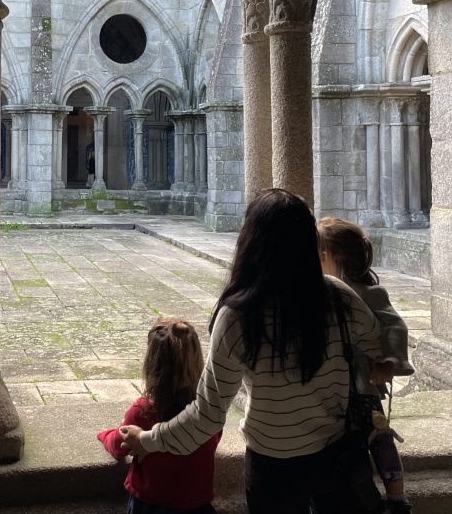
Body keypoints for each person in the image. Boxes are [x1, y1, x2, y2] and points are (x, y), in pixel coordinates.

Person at [119, 188, 385, 514]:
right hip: (336, 455)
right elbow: (377, 344)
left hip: (274, 467)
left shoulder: (239, 317)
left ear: (251, 241)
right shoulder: (338, 295)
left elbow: (207, 417)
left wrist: (146, 440)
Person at [318, 217, 414, 514]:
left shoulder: (368, 292)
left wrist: (388, 363)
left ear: (331, 257)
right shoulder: (325, 290)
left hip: (363, 387)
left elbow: (395, 327)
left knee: (379, 437)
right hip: (335, 388)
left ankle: (397, 498)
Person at [97, 317, 220, 514]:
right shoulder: (208, 412)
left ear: (151, 364)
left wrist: (104, 434)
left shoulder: (143, 412)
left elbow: (119, 444)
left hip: (150, 505)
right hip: (197, 505)